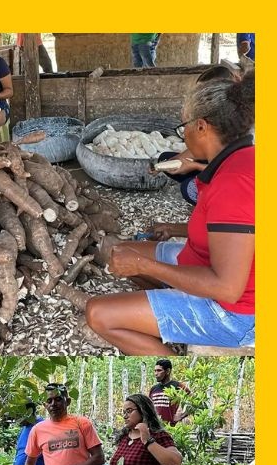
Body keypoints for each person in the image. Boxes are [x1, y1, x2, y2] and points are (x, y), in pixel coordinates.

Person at [85, 71, 255, 354]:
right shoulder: (235, 159)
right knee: (114, 250)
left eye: (183, 126)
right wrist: (174, 230)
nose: (183, 134)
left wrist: (144, 266)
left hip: (236, 314)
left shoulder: (234, 183)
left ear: (201, 127)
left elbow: (227, 288)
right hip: (204, 263)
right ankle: (169, 301)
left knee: (98, 313)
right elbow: (224, 231)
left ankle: (172, 368)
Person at [151, 65, 242, 206]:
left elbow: (233, 174)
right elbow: (197, 151)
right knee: (166, 159)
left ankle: (216, 204)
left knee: (190, 189)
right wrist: (161, 166)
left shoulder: (239, 124)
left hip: (238, 183)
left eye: (203, 94)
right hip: (218, 167)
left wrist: (194, 166)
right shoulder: (214, 118)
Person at [22, 384, 105, 465]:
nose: (53, 404)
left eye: (58, 399)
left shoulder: (82, 423)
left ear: (68, 401)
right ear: (44, 405)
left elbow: (99, 457)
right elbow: (30, 463)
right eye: (49, 401)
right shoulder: (38, 430)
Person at [148, 358, 190, 425]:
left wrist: (182, 415)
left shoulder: (177, 386)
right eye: (155, 371)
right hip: (155, 428)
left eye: (159, 370)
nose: (156, 373)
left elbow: (195, 401)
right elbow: (148, 408)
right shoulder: (153, 389)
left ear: (167, 371)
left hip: (170, 428)